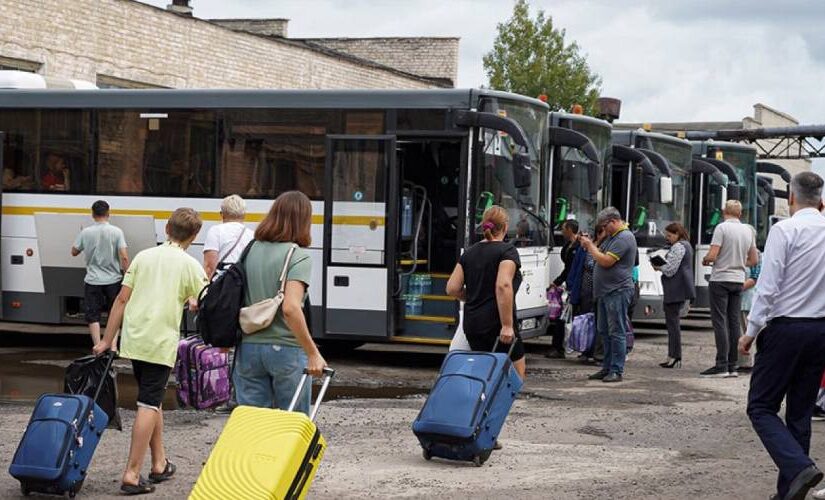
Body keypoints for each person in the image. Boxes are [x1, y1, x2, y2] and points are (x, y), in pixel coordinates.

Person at [93, 208, 209, 495]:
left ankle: (159, 463)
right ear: (193, 237)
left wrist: (108, 340)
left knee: (151, 398)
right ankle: (131, 474)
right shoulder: (190, 265)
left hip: (135, 339)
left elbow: (121, 299)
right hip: (159, 342)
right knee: (147, 404)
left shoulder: (143, 257)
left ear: (167, 228)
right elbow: (204, 301)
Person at [740, 172, 825, 500]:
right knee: (800, 411)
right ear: (820, 201)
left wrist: (750, 332)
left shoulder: (784, 230)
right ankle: (790, 491)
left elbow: (768, 286)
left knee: (760, 406)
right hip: (820, 330)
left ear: (791, 198)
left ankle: (800, 467)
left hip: (786, 329)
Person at [234, 191, 327, 414]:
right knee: (291, 424)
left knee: (252, 423)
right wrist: (313, 352)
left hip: (248, 347)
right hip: (286, 349)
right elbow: (291, 308)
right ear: (303, 220)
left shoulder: (250, 250)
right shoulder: (298, 256)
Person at [446, 205, 526, 379]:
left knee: (484, 376)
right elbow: (503, 285)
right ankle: (495, 407)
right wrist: (507, 325)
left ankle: (480, 406)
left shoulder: (469, 253)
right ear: (505, 226)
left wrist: (473, 297)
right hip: (497, 324)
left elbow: (452, 288)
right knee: (515, 378)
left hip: (473, 323)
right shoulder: (507, 251)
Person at [579, 207, 637, 383]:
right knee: (604, 331)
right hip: (605, 292)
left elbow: (605, 261)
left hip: (617, 290)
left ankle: (616, 370)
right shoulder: (612, 237)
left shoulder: (625, 237)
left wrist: (590, 246)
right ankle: (606, 367)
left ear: (613, 221)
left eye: (605, 226)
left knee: (616, 331)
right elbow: (597, 254)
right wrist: (591, 244)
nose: (604, 229)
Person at [701, 200, 758, 378]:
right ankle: (733, 365)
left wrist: (706, 260)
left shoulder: (722, 228)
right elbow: (754, 260)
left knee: (720, 322)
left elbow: (712, 255)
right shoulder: (748, 230)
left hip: (720, 278)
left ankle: (721, 364)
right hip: (738, 279)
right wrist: (739, 262)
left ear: (724, 211)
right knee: (733, 322)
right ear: (740, 214)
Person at [71, 200, 129, 346]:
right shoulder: (117, 231)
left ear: (93, 214)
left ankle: (98, 345)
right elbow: (124, 256)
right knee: (114, 313)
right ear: (108, 213)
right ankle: (113, 346)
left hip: (93, 280)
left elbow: (74, 252)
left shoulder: (86, 232)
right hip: (113, 280)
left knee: (93, 315)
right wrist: (127, 274)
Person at [654, 222, 695, 369]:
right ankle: (672, 355)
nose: (668, 238)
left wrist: (658, 266)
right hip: (680, 288)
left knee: (672, 325)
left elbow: (671, 269)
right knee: (673, 324)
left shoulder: (679, 247)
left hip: (675, 289)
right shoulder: (688, 245)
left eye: (670, 235)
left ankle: (675, 356)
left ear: (677, 234)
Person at [546, 219, 579, 359]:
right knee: (562, 317)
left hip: (574, 287)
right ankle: (559, 347)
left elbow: (572, 269)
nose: (562, 231)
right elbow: (567, 268)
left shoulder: (578, 247)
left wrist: (560, 281)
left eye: (564, 229)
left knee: (565, 318)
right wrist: (558, 282)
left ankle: (560, 347)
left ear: (570, 230)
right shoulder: (569, 246)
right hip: (568, 285)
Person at [202, 194, 254, 281]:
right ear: (244, 214)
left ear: (222, 214)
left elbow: (210, 266)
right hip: (242, 286)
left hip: (220, 286)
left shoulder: (215, 231)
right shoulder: (252, 235)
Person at [738, 245, 761, 373]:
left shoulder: (755, 254)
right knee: (743, 330)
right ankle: (743, 361)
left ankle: (747, 363)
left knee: (748, 331)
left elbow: (755, 277)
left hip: (748, 298)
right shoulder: (742, 251)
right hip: (742, 299)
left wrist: (736, 287)